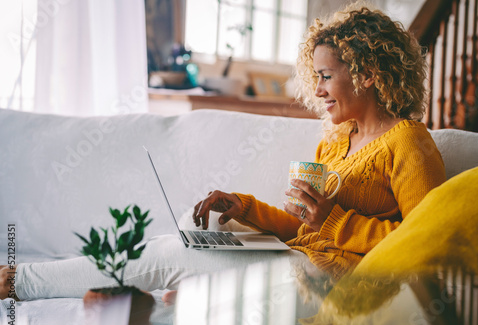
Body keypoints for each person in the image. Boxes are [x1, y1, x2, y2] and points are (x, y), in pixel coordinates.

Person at [1, 2, 446, 302]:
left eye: (326, 76)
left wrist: (331, 219)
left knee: (171, 255)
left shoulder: (408, 142)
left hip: (343, 285)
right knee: (183, 233)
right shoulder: (335, 139)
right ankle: (166, 303)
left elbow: (424, 249)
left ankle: (20, 281)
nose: (317, 89)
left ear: (367, 73)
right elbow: (300, 227)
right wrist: (244, 207)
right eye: (316, 76)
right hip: (300, 258)